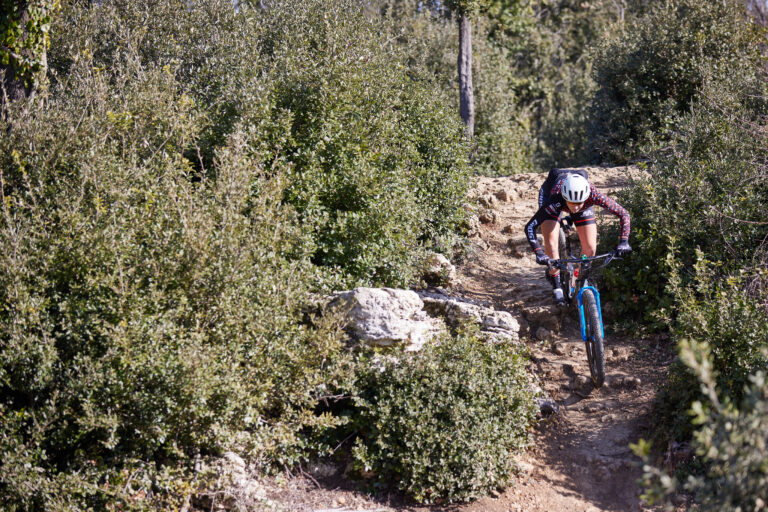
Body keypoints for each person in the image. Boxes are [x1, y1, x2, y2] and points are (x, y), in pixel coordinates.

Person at [524, 168, 632, 304]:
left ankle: (580, 276)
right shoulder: (556, 199)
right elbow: (530, 226)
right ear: (565, 197)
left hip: (580, 202)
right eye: (572, 203)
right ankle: (557, 285)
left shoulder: (593, 195)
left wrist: (624, 241)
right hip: (552, 195)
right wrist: (539, 252)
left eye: (578, 204)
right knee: (551, 245)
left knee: (590, 248)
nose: (575, 208)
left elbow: (624, 214)